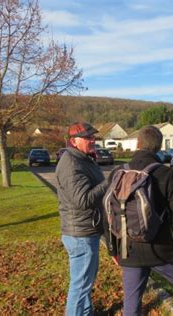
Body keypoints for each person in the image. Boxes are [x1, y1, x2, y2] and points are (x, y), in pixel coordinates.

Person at [103, 125, 173, 316]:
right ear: (158, 147)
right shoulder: (166, 173)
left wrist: (113, 249)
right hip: (162, 250)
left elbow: (107, 213)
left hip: (127, 249)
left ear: (137, 144)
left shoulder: (118, 172)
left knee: (131, 302)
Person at [56, 122, 109, 315]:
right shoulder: (71, 163)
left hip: (86, 231)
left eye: (93, 137)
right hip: (80, 235)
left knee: (85, 283)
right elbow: (84, 200)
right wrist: (110, 182)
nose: (92, 140)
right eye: (87, 137)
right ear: (74, 141)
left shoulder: (83, 159)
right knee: (80, 286)